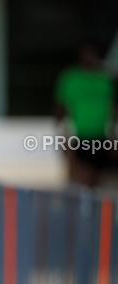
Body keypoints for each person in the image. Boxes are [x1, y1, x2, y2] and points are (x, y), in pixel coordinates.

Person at [55, 42, 117, 186]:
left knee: (101, 182)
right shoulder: (71, 78)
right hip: (78, 137)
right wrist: (62, 135)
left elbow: (113, 109)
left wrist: (114, 137)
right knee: (79, 180)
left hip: (102, 138)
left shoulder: (105, 79)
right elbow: (61, 108)